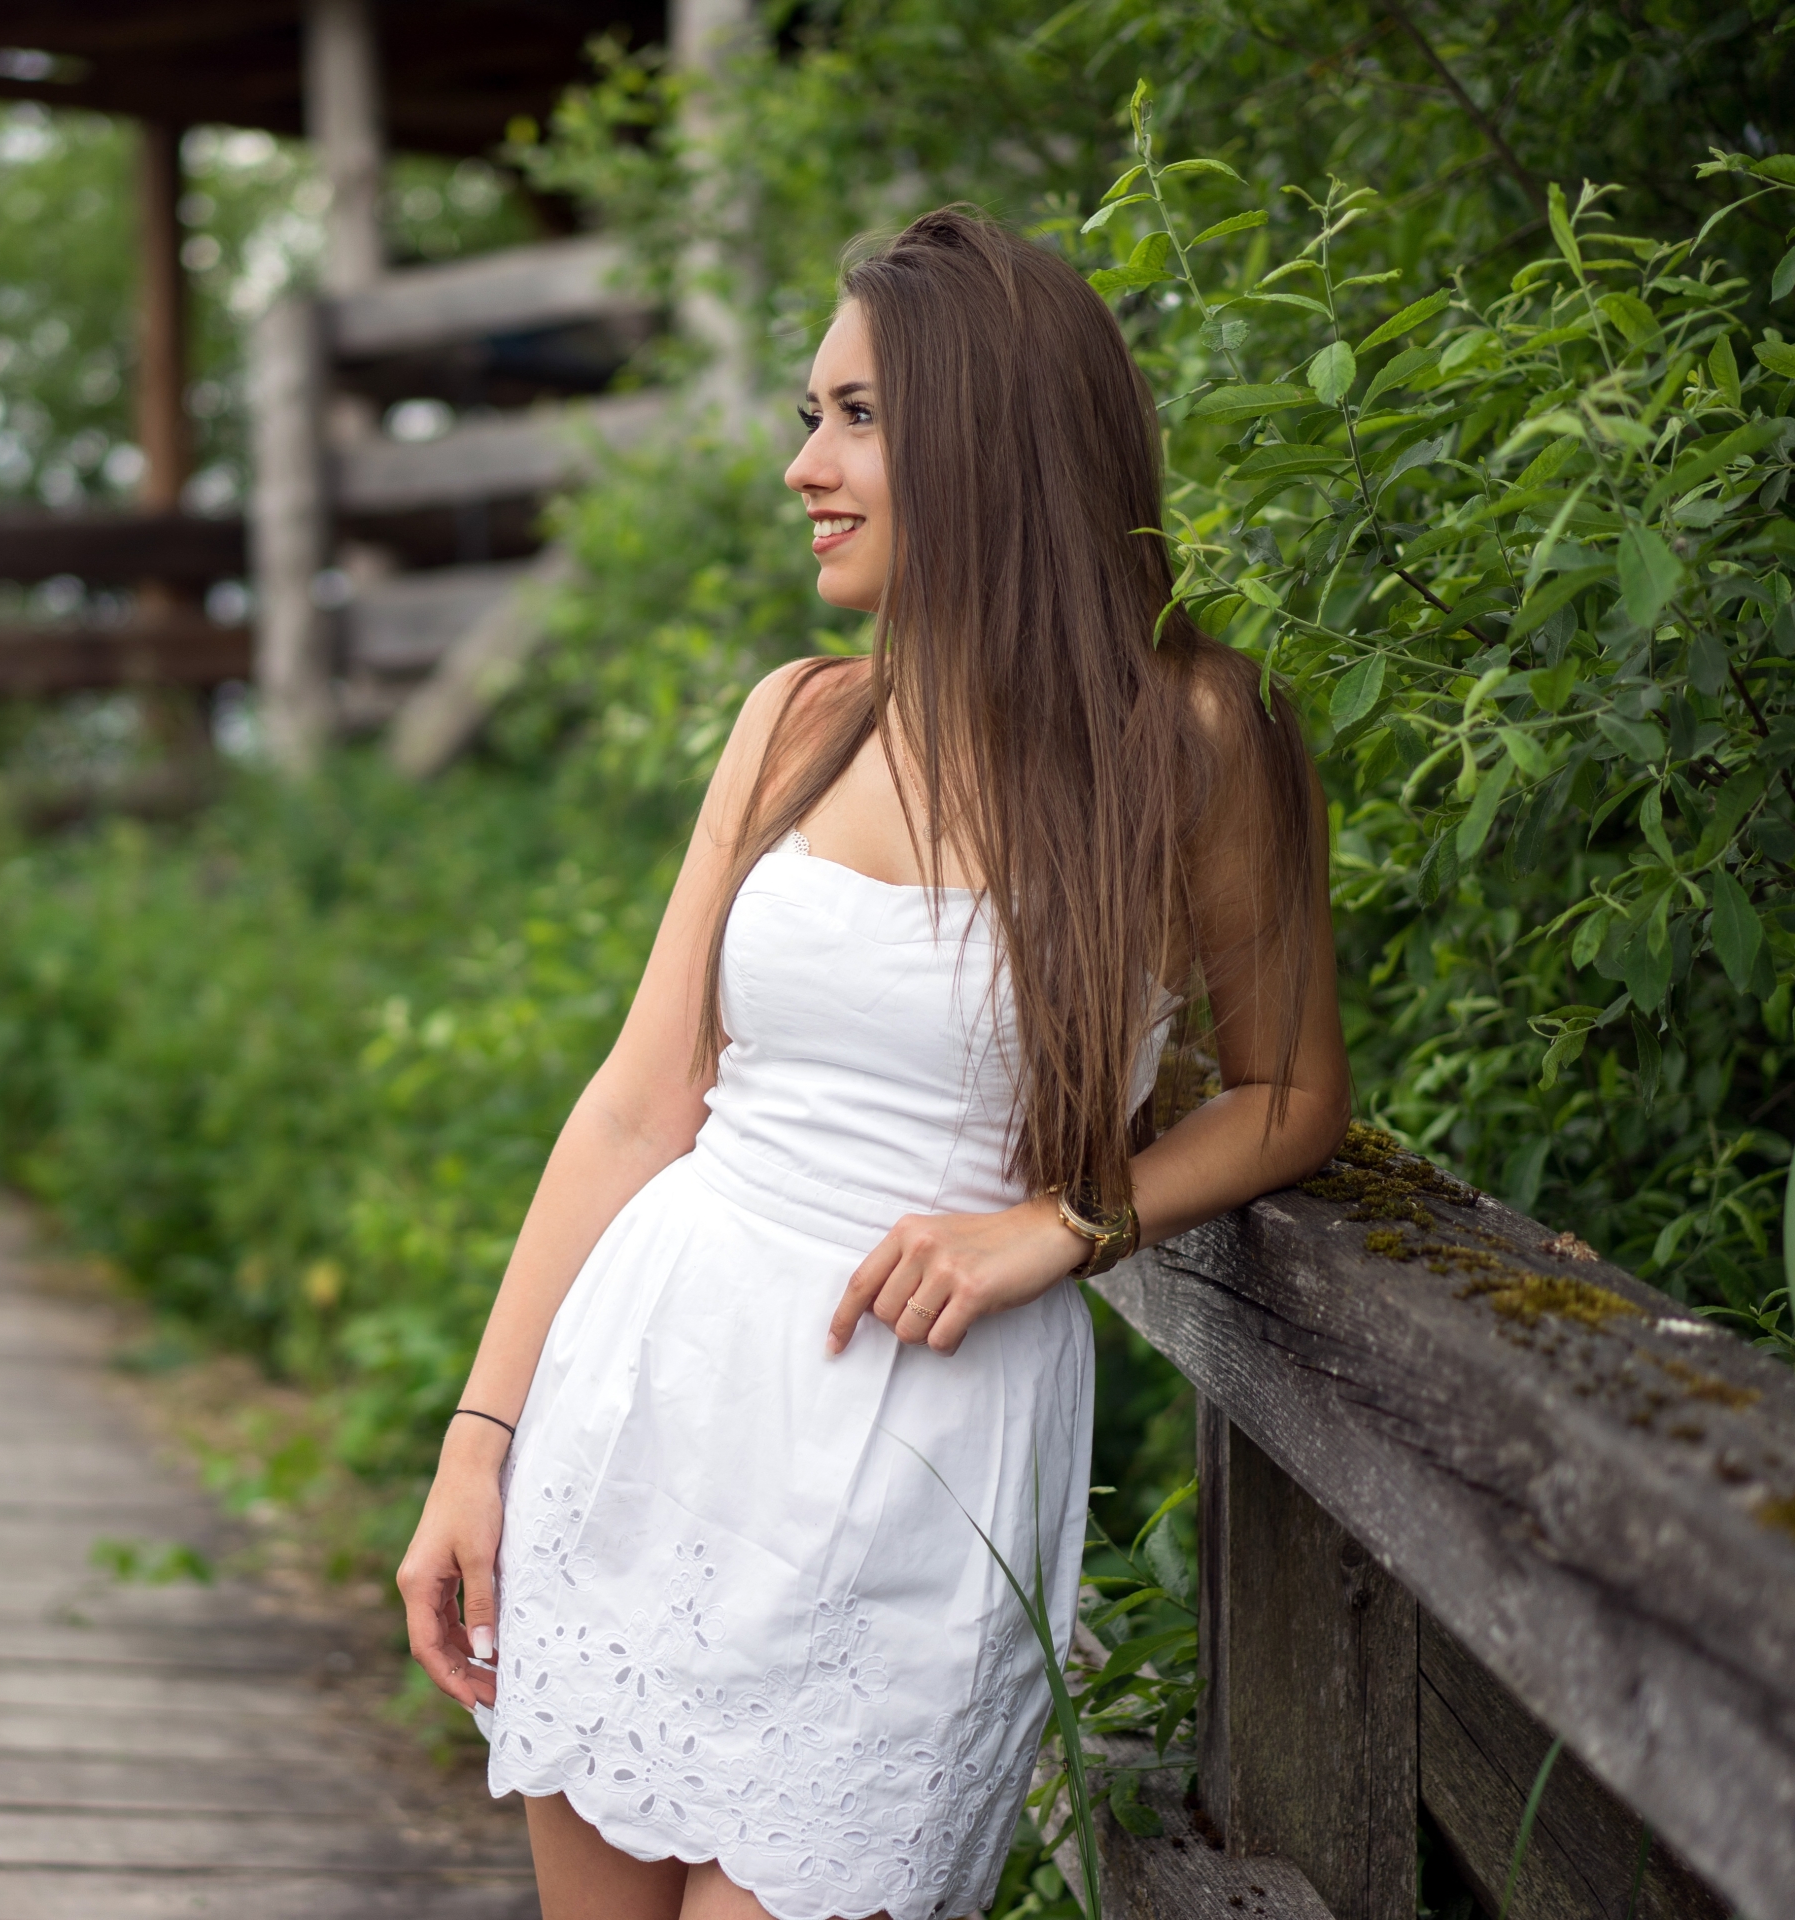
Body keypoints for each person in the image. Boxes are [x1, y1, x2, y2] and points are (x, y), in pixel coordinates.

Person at [396, 206, 1350, 1920]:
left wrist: (1059, 1222)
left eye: (853, 416)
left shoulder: (1199, 739)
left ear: (986, 436)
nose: (800, 466)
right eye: (807, 414)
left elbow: (1286, 1096)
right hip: (657, 1404)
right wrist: (479, 1444)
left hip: (921, 1460)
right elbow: (637, 1105)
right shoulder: (798, 718)